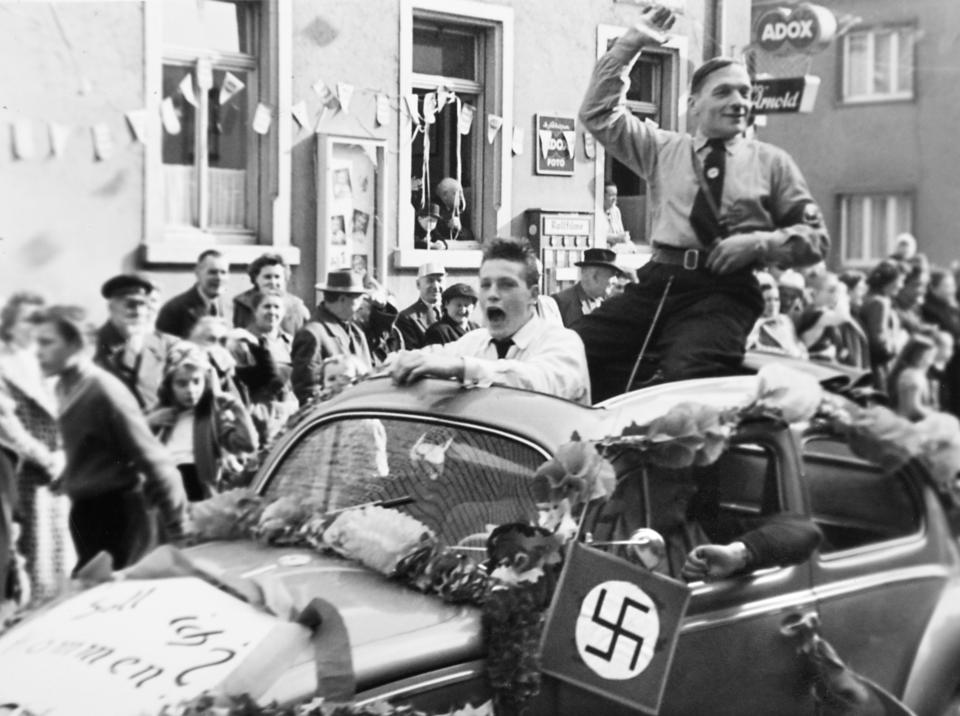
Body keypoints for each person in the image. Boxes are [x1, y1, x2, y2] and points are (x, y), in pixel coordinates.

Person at [574, 6, 828, 402]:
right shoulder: (663, 150)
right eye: (723, 92)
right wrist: (629, 45)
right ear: (693, 105)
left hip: (725, 294)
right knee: (572, 352)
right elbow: (597, 113)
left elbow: (815, 240)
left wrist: (758, 244)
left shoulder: (772, 163)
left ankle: (681, 458)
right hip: (659, 281)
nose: (738, 101)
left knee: (685, 379)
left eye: (746, 93)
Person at [32, 305, 186, 572]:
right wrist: (72, 473)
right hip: (86, 512)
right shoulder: (64, 387)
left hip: (120, 515)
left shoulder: (103, 391)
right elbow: (99, 446)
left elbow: (154, 460)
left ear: (74, 344)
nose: (38, 351)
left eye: (47, 342)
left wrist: (179, 529)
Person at [390, 239, 591, 404]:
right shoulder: (475, 341)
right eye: (486, 285)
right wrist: (391, 364)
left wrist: (461, 368)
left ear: (533, 295)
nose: (493, 295)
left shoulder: (563, 342)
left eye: (506, 285)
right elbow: (426, 357)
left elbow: (538, 382)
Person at [0, 293, 73, 600]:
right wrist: (44, 458)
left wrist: (64, 455)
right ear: (10, 325)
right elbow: (7, 423)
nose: (35, 327)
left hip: (57, 467)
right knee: (29, 544)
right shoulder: (4, 364)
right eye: (28, 320)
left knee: (59, 544)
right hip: (24, 468)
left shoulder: (47, 364)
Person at [147, 344, 257, 501]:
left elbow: (247, 444)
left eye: (196, 381)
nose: (191, 390)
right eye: (182, 383)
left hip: (199, 493)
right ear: (169, 386)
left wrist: (237, 409)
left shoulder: (212, 417)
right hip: (166, 493)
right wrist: (148, 423)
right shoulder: (161, 415)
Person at [94, 274, 179, 412]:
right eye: (130, 305)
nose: (138, 311)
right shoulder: (92, 346)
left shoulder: (167, 344)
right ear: (111, 308)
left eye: (142, 304)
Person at [291, 270, 372, 406]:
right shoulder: (312, 334)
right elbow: (308, 392)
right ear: (342, 299)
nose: (362, 304)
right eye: (359, 298)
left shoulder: (356, 331)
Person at [231, 291, 299, 445]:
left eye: (277, 307)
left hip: (288, 416)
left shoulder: (291, 343)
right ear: (255, 311)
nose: (272, 312)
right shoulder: (243, 342)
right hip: (258, 417)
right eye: (266, 307)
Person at [232, 253, 311, 337]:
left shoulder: (297, 308)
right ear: (255, 278)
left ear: (285, 279)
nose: (273, 282)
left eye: (277, 277)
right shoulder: (240, 305)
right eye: (267, 277)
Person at [156, 249, 230, 338]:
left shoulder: (231, 307)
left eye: (223, 272)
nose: (219, 278)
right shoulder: (175, 309)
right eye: (212, 272)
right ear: (197, 273)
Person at [861, 259, 907, 390]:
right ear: (889, 281)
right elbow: (881, 347)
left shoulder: (869, 297)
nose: (901, 285)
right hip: (880, 372)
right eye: (900, 281)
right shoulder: (879, 303)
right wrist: (900, 340)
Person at [551, 247, 624, 327]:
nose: (615, 281)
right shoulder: (561, 303)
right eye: (612, 275)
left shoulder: (608, 303)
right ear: (595, 277)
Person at [745, 282, 807, 358]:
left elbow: (795, 343)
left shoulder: (785, 320)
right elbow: (751, 348)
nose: (773, 304)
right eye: (768, 300)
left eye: (776, 299)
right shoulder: (754, 324)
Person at [396, 261, 445, 350]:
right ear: (418, 284)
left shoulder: (452, 311)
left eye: (439, 280)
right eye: (430, 281)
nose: (436, 286)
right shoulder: (407, 317)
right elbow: (412, 352)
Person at [888, 335, 937, 421]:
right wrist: (936, 416)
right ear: (919, 356)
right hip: (908, 422)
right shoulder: (912, 376)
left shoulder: (916, 373)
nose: (931, 362)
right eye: (930, 357)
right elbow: (913, 408)